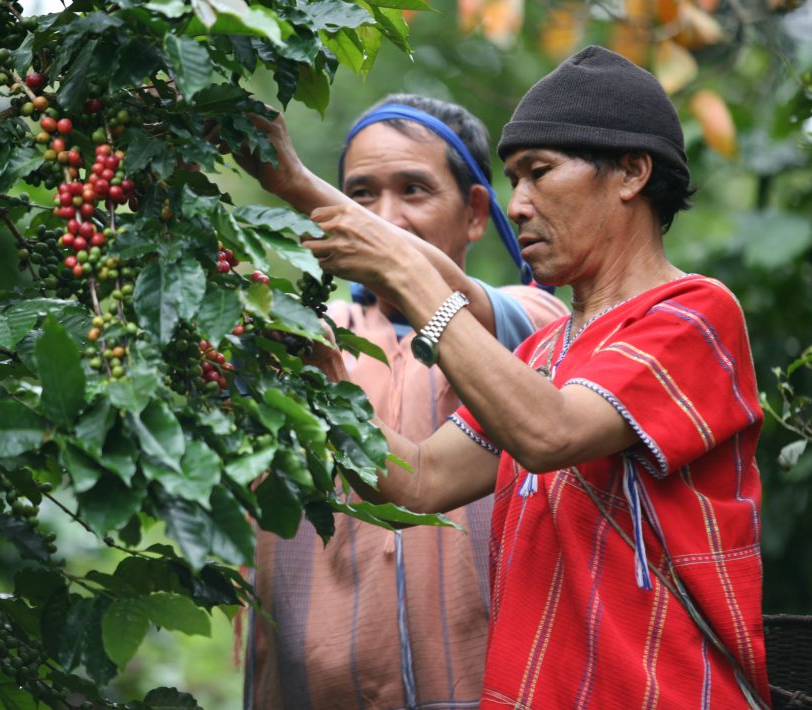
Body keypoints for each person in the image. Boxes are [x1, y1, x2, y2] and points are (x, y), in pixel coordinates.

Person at [279, 45, 769, 708]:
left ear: (630, 172)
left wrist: (408, 277)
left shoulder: (691, 314)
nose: (517, 205)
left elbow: (550, 432)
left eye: (538, 173)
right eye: (513, 179)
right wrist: (315, 375)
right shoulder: (541, 351)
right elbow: (418, 482)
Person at [242, 95, 567, 709]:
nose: (384, 218)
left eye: (413, 189)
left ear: (475, 213)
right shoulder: (302, 332)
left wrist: (294, 183)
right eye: (361, 194)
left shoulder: (536, 322)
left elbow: (458, 305)